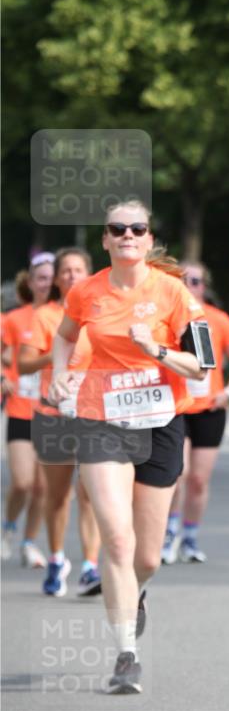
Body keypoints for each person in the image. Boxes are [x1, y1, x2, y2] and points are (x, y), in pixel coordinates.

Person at [48, 201, 206, 695]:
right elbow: (64, 336)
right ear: (106, 240)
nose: (127, 235)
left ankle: (136, 592)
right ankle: (126, 655)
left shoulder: (173, 293)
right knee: (116, 540)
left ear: (147, 236)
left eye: (136, 228)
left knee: (149, 557)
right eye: (117, 229)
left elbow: (201, 365)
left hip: (160, 420)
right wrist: (58, 374)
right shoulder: (85, 292)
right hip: (102, 419)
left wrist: (154, 349)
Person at [18, 248, 101, 598]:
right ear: (56, 278)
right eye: (65, 270)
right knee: (57, 496)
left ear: (89, 274)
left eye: (78, 269)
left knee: (89, 494)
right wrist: (58, 352)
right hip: (53, 414)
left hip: (94, 414)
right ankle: (56, 560)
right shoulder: (45, 317)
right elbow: (23, 365)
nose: (71, 275)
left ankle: (89, 568)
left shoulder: (102, 314)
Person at [162, 261, 229, 564]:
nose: (190, 286)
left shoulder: (217, 319)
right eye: (183, 280)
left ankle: (190, 536)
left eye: (195, 281)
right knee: (179, 473)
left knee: (198, 479)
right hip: (177, 405)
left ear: (204, 286)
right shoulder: (166, 317)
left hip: (210, 409)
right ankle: (169, 533)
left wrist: (228, 392)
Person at [0, 253, 55, 567]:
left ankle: (30, 542)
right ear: (30, 282)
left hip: (52, 411)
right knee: (22, 481)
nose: (46, 283)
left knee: (42, 486)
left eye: (51, 277)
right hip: (21, 409)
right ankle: (8, 527)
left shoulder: (64, 316)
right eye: (41, 277)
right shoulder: (14, 319)